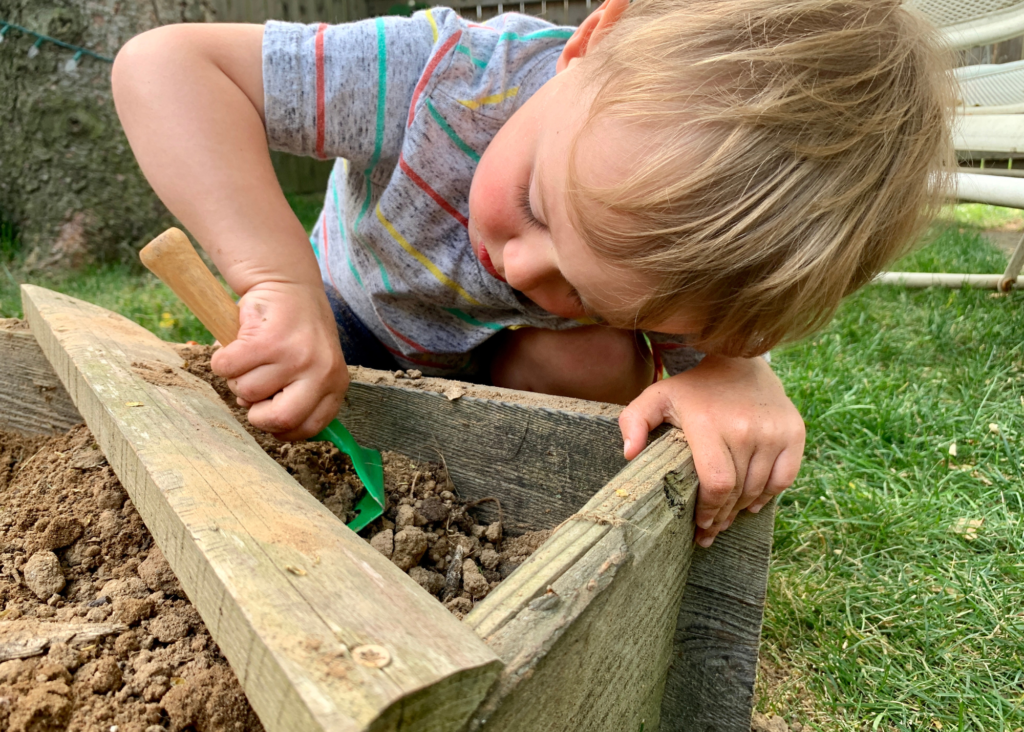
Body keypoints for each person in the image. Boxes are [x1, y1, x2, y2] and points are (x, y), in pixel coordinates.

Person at [110, 0, 953, 547]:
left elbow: (727, 337)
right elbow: (167, 67)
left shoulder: (687, 255)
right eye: (539, 205)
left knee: (595, 358)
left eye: (587, 293)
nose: (515, 265)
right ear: (593, 43)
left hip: (493, 369)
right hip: (339, 315)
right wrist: (275, 284)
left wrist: (737, 372)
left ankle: (522, 515)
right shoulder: (450, 73)